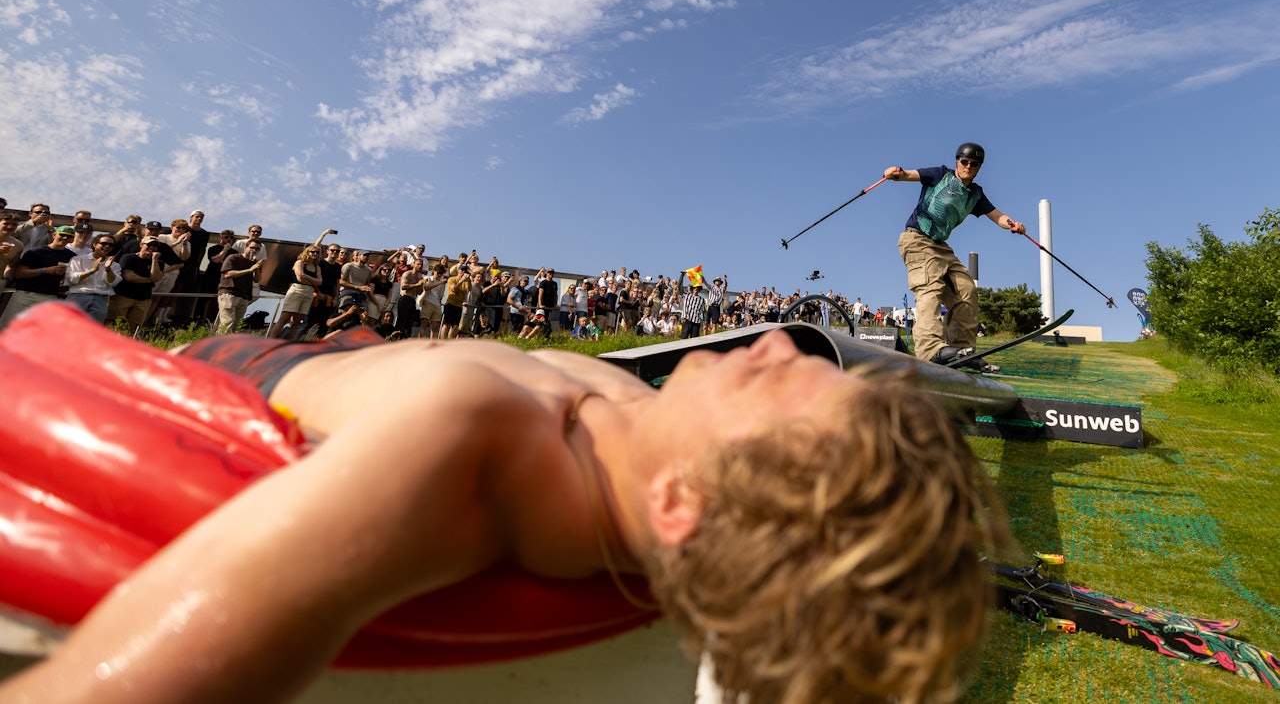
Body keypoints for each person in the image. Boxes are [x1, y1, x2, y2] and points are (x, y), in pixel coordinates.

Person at [0, 325, 1001, 704]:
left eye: (777, 384)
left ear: (680, 502)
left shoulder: (470, 441)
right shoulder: (666, 474)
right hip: (374, 347)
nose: (783, 345)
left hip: (240, 372)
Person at [886, 143, 1025, 371]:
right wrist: (895, 174)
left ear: (979, 167)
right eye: (964, 162)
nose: (968, 167)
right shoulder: (941, 175)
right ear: (957, 161)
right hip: (918, 240)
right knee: (930, 289)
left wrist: (1013, 225)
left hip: (941, 247)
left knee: (966, 290)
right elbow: (910, 174)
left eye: (974, 164)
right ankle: (930, 350)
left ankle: (962, 350)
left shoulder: (975, 194)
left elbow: (997, 216)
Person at [0, 225, 77, 329]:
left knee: (39, 331)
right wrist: (45, 270)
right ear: (54, 235)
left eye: (69, 236)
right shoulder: (35, 252)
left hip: (49, 297)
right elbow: (19, 273)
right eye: (62, 235)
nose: (65, 238)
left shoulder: (72, 256)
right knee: (9, 326)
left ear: (72, 239)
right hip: (26, 294)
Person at [267, 246, 324, 339]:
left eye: (317, 252)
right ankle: (270, 339)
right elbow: (300, 278)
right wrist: (313, 280)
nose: (315, 254)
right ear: (307, 252)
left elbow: (320, 282)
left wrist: (308, 277)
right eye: (313, 252)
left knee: (297, 320)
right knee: (284, 318)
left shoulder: (317, 267)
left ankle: (290, 342)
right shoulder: (300, 262)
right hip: (297, 290)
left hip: (309, 292)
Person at [64, 234, 121, 322]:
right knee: (69, 327)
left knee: (93, 331)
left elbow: (113, 283)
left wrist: (108, 269)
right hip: (78, 296)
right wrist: (92, 271)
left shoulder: (115, 265)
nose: (107, 246)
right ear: (94, 244)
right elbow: (71, 279)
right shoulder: (78, 259)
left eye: (111, 245)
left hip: (100, 299)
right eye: (104, 243)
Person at [215, 240, 264, 334]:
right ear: (245, 247)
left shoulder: (255, 262)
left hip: (244, 296)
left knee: (236, 327)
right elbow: (228, 274)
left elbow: (257, 280)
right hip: (229, 294)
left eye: (257, 249)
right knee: (227, 323)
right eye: (252, 247)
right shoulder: (233, 257)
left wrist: (256, 268)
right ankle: (218, 346)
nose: (254, 250)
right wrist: (249, 270)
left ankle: (230, 347)